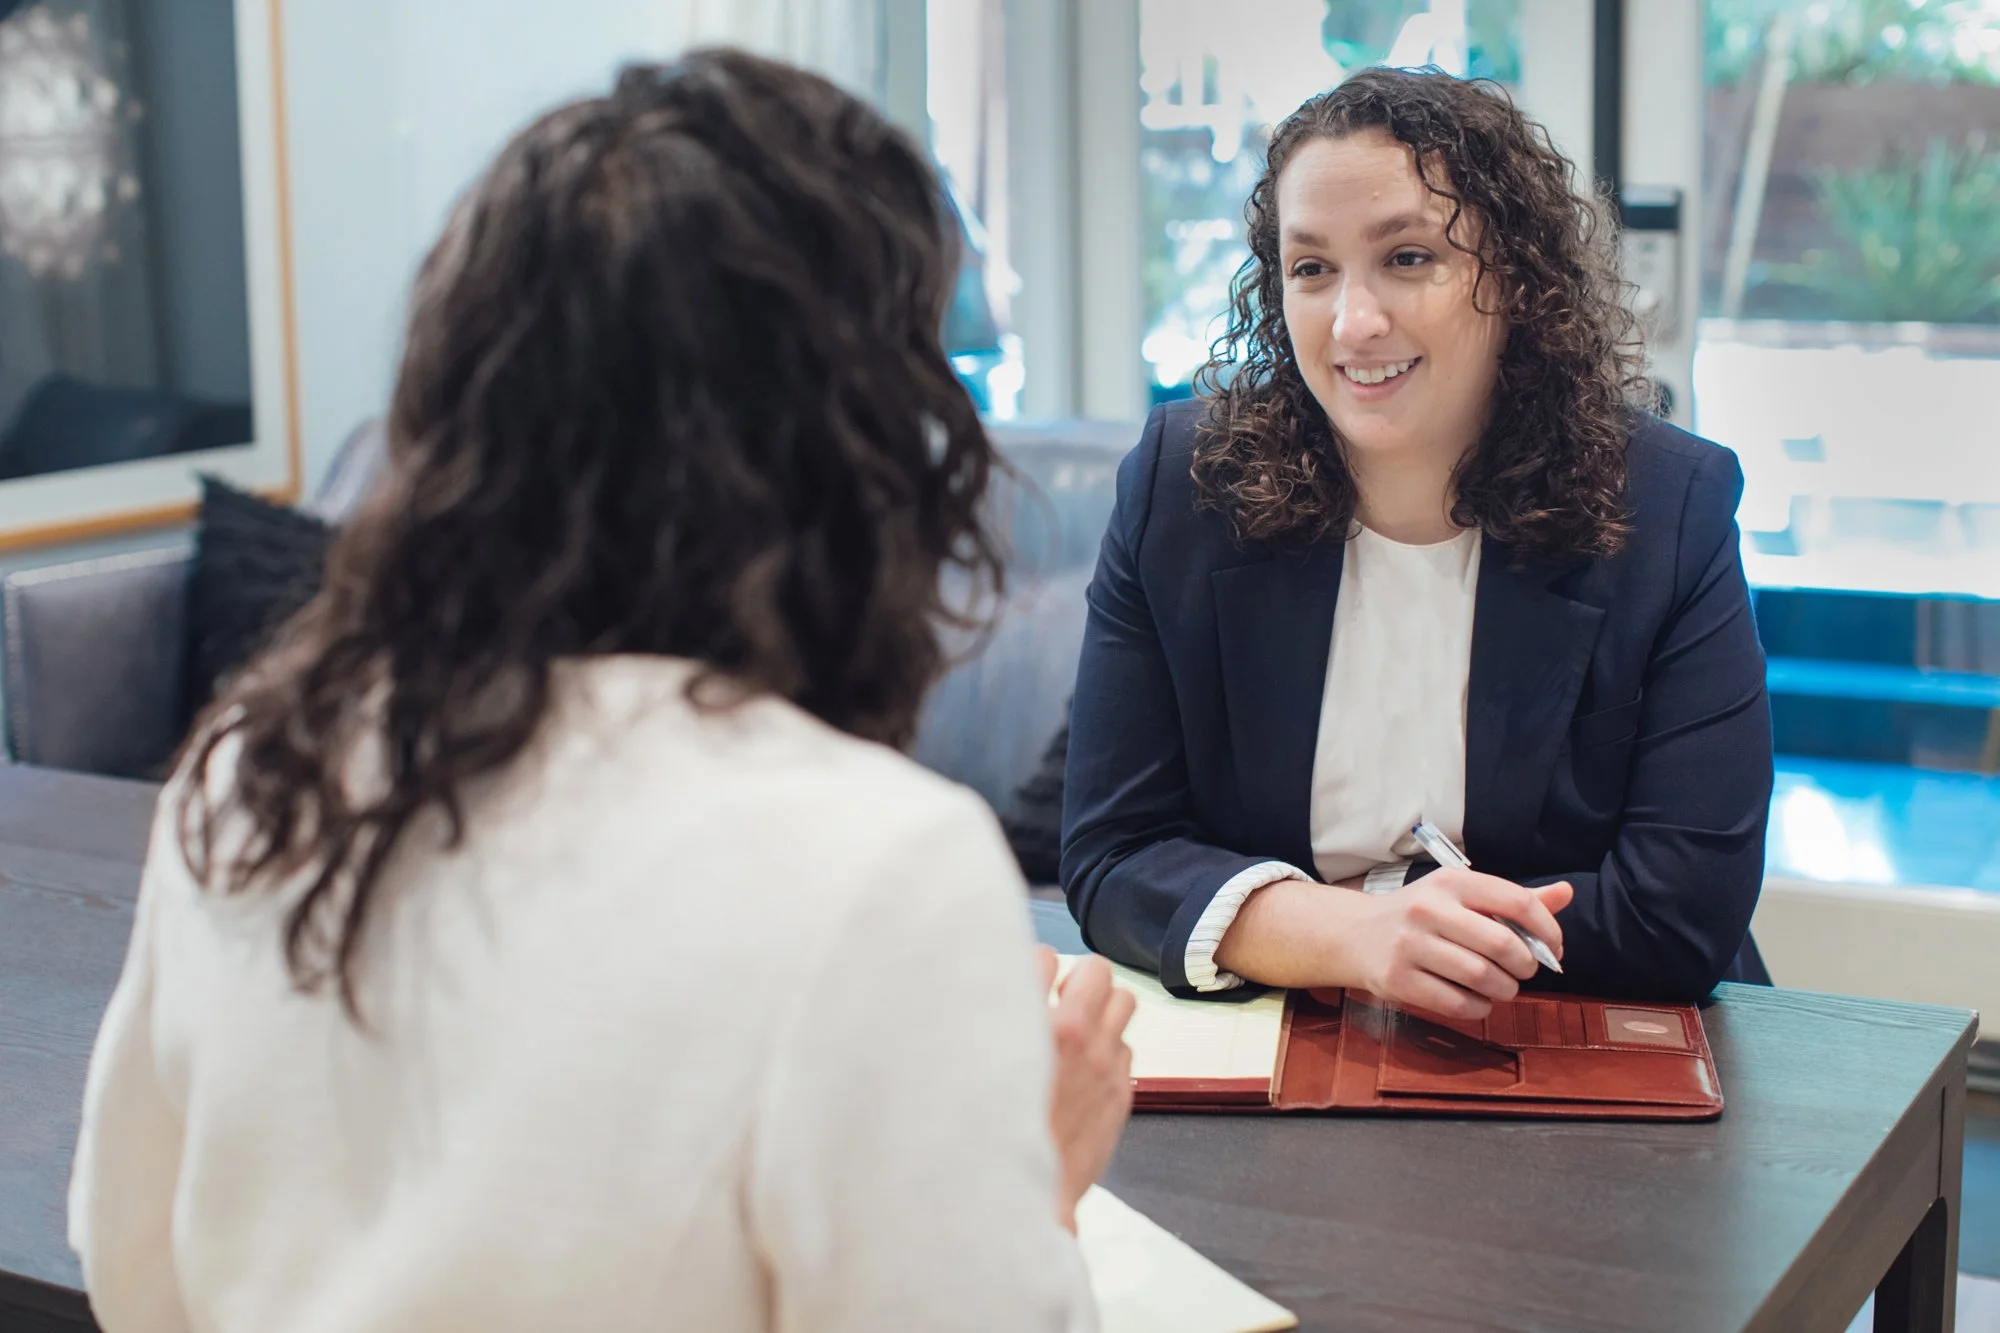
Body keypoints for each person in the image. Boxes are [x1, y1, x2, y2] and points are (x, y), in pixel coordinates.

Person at [70, 50, 1132, 1333]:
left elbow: (132, 1264)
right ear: (855, 443)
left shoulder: (250, 764)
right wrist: (1040, 1182)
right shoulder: (878, 867)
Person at [1061, 67, 1773, 1015]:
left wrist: (1394, 927)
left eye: (1407, 257)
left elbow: (1678, 916)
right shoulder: (1186, 488)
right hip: (1285, 1031)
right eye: (1311, 268)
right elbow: (1112, 853)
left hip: (1579, 1046)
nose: (1354, 322)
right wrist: (1353, 937)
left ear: (1514, 278)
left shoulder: (1665, 505)